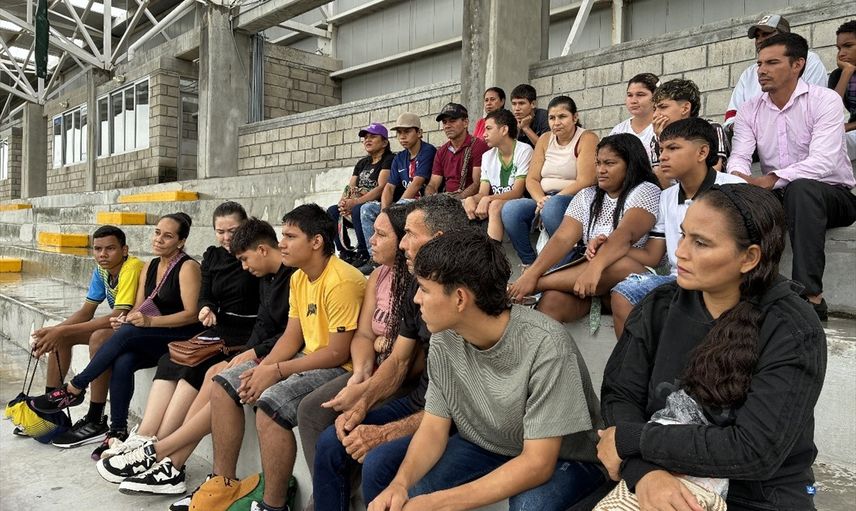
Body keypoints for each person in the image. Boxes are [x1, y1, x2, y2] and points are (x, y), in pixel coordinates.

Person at [597, 184, 826, 510]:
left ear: (749, 257)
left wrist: (635, 439)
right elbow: (620, 396)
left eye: (700, 243)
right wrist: (644, 473)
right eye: (683, 235)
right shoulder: (660, 306)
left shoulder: (793, 329)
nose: (680, 252)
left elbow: (755, 450)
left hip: (759, 495)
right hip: (659, 475)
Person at [368, 230, 605, 511]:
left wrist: (439, 503)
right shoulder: (444, 336)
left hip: (569, 457)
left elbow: (538, 463)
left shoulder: (546, 345)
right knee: (414, 488)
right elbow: (433, 428)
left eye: (424, 289)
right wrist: (400, 484)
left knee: (530, 506)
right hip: (487, 444)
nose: (416, 299)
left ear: (460, 299)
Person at [190, 204, 366, 511]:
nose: (281, 243)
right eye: (283, 235)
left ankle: (273, 505)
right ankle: (222, 482)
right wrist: (264, 367)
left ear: (316, 241)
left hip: (340, 367)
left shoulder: (342, 280)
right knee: (224, 383)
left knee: (270, 407)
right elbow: (291, 338)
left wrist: (277, 371)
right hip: (308, 355)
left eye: (290, 236)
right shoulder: (299, 278)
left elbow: (337, 352)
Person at [311, 194, 470, 510]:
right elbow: (398, 360)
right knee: (332, 440)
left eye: (409, 234)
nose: (402, 244)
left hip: (453, 416)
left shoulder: (466, 293)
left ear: (438, 240)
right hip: (422, 401)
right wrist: (363, 402)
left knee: (378, 460)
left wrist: (383, 433)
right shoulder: (415, 283)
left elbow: (455, 406)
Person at [94, 202, 261, 495]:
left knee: (198, 368)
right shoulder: (213, 256)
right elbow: (205, 295)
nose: (226, 238)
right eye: (220, 231)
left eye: (232, 231)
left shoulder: (256, 261)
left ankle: (162, 455)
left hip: (241, 337)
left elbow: (263, 312)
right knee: (171, 358)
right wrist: (207, 307)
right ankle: (147, 439)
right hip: (215, 329)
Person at [30, 213, 203, 460]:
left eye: (168, 236)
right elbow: (140, 308)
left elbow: (192, 315)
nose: (159, 239)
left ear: (181, 241)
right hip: (155, 335)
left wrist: (148, 322)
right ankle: (117, 431)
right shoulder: (151, 266)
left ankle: (75, 386)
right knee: (124, 360)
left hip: (182, 335)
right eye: (157, 233)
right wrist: (126, 319)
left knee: (125, 334)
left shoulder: (188, 267)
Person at [727, 32, 856, 322]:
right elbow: (740, 156)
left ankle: (810, 297)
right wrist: (739, 179)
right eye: (759, 63)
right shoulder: (750, 109)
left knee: (801, 189)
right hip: (781, 195)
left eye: (772, 63)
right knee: (735, 198)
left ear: (798, 65)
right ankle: (745, 292)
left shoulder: (824, 100)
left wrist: (771, 179)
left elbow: (823, 161)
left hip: (833, 194)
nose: (761, 70)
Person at [295, 204, 414, 502]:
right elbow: (363, 335)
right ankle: (326, 496)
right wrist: (361, 372)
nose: (370, 239)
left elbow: (408, 361)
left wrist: (366, 387)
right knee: (310, 410)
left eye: (381, 234)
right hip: (372, 366)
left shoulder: (417, 283)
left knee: (346, 422)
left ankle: (328, 498)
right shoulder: (379, 276)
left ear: (403, 240)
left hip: (402, 378)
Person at [609, 118, 745, 339]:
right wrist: (610, 245)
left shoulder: (735, 188)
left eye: (673, 148)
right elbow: (653, 256)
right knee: (624, 294)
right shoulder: (666, 196)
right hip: (677, 279)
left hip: (721, 281)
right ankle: (637, 360)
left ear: (702, 152)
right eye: (661, 149)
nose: (662, 156)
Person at [507, 134, 661, 324]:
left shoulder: (645, 190)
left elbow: (625, 234)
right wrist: (532, 272)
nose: (601, 170)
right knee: (552, 301)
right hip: (588, 283)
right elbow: (563, 238)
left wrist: (595, 267)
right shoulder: (587, 195)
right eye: (598, 163)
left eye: (610, 163)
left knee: (618, 262)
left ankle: (535, 285)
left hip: (630, 280)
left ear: (631, 165)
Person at [31, 225, 144, 448]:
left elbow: (117, 315)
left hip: (141, 329)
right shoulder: (102, 270)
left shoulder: (131, 268)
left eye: (110, 248)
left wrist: (61, 330)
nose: (102, 254)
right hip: (122, 327)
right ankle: (52, 412)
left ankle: (95, 418)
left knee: (99, 338)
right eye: (97, 249)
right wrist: (54, 332)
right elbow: (86, 312)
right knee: (61, 338)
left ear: (124, 250)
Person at [501, 96, 599, 266]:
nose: (556, 122)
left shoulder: (587, 138)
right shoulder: (545, 139)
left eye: (562, 117)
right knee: (511, 210)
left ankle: (566, 262)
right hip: (545, 198)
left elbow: (586, 180)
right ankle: (530, 264)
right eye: (552, 118)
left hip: (575, 199)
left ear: (575, 117)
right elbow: (532, 179)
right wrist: (541, 199)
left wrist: (551, 200)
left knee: (552, 207)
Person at [358, 112, 437, 272]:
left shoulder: (428, 151)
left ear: (419, 133)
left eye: (407, 131)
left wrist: (395, 209)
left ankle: (399, 257)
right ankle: (375, 258)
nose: (402, 136)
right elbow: (389, 187)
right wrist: (384, 211)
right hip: (402, 203)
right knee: (367, 209)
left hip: (420, 202)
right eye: (399, 132)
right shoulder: (399, 157)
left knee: (399, 209)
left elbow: (417, 183)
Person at [724, 14, 828, 128]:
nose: (759, 40)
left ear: (784, 36)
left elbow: (813, 106)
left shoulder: (809, 60)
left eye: (766, 34)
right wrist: (744, 129)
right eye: (757, 37)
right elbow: (732, 115)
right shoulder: (748, 73)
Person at [327, 123, 394, 270]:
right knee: (333, 211)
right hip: (359, 204)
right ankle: (346, 254)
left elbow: (381, 188)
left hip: (375, 206)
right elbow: (350, 187)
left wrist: (356, 202)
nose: (367, 140)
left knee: (359, 208)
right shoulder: (362, 162)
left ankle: (365, 253)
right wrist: (343, 202)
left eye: (372, 137)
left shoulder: (389, 159)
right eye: (365, 137)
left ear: (384, 142)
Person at [463, 108, 532, 241]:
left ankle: (493, 250)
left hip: (523, 203)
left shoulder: (524, 150)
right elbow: (483, 192)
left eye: (489, 129)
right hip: (499, 201)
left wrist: (488, 198)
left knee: (494, 205)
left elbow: (517, 192)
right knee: (465, 205)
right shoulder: (487, 156)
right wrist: (470, 199)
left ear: (504, 130)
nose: (484, 134)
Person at [650, 79, 729, 187]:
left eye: (663, 107)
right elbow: (664, 184)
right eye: (654, 109)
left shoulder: (712, 128)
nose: (655, 115)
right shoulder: (656, 138)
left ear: (685, 108)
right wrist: (663, 140)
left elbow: (714, 171)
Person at [424, 103, 489, 199]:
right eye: (444, 122)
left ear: (465, 123)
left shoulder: (478, 146)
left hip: (470, 202)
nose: (447, 126)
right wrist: (430, 199)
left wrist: (456, 201)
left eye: (452, 121)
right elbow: (433, 184)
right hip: (447, 200)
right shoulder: (441, 151)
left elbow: (477, 183)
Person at [610, 73, 659, 164]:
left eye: (640, 95)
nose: (633, 101)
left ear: (656, 97)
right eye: (629, 95)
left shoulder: (663, 126)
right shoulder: (618, 131)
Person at [829, 19, 856, 160]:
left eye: (848, 46)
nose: (841, 54)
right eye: (839, 48)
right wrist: (847, 72)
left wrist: (849, 126)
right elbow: (830, 112)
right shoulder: (837, 75)